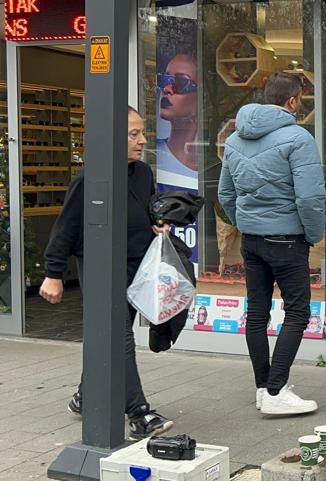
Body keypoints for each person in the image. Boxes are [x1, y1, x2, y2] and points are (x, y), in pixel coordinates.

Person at [39, 106, 175, 440]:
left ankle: (86, 395)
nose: (142, 140)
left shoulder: (142, 173)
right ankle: (140, 413)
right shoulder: (91, 177)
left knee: (113, 335)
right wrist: (53, 273)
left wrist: (158, 223)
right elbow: (66, 228)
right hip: (101, 268)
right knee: (119, 336)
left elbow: (147, 208)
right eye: (133, 134)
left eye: (142, 132)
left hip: (135, 266)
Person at [219, 72, 326, 416]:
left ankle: (263, 389)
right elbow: (310, 198)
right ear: (293, 101)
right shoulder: (298, 137)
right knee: (297, 312)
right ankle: (276, 390)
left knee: (256, 314)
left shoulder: (235, 138)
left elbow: (225, 193)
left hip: (252, 241)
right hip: (287, 240)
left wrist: (245, 223)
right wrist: (313, 235)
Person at [157, 53, 198, 184]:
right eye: (164, 80)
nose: (167, 89)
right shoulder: (151, 154)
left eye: (181, 83)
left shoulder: (212, 165)